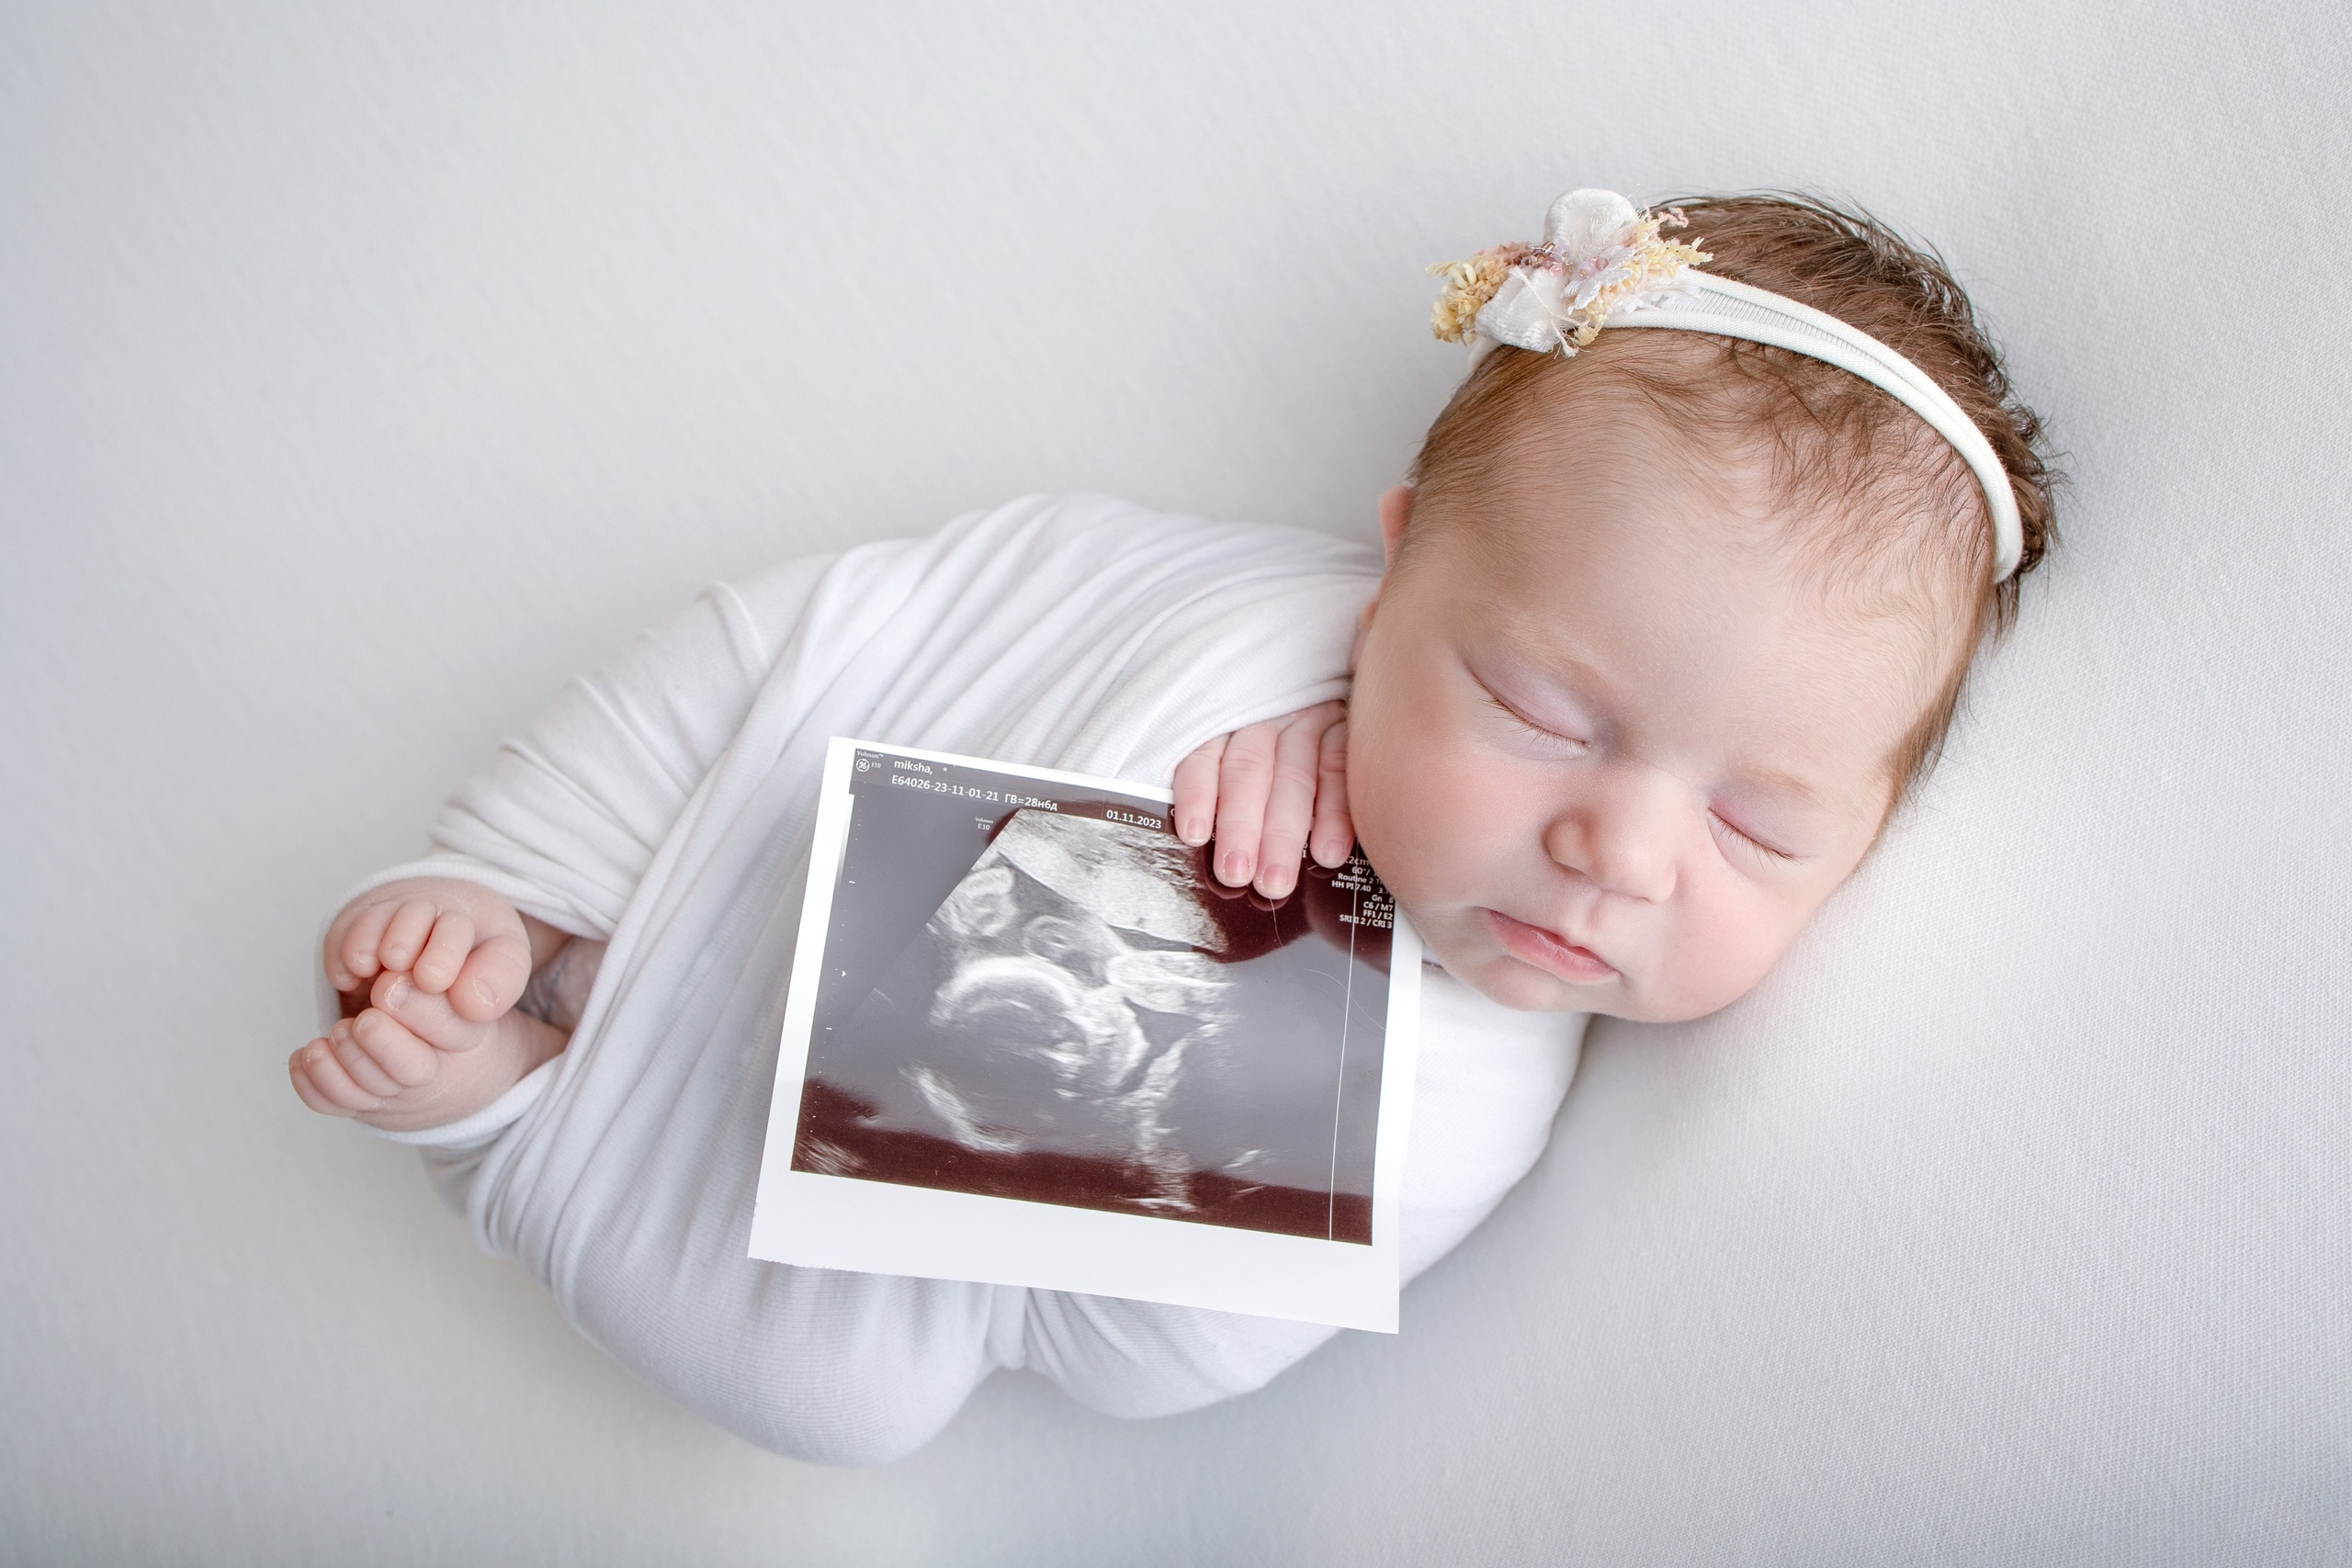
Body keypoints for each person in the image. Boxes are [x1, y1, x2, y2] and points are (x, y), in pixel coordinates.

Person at [288, 189, 2055, 1462]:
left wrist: (1211, 1104)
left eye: (1758, 827)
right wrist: (1300, 703)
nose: (1624, 852)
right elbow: (929, 612)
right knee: (772, 644)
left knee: (844, 1397)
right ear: (1398, 575)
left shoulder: (1467, 1102)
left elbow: (1141, 1361)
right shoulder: (1270, 612)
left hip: (788, 1182)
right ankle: (516, 902)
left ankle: (497, 1106)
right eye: (1537, 712)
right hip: (747, 802)